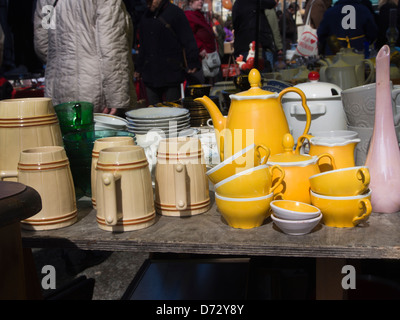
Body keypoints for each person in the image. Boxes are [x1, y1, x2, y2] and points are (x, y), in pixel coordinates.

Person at [34, 0, 137, 115]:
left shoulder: (46, 2)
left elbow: (42, 42)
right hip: (95, 91)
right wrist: (117, 98)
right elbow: (112, 47)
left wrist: (61, 63)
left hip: (57, 88)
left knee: (64, 131)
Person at [134, 0, 199, 105]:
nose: (148, 3)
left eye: (151, 1)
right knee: (154, 114)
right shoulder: (145, 16)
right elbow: (143, 46)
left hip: (171, 73)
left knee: (173, 114)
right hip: (150, 74)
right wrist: (139, 67)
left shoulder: (175, 13)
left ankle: (172, 122)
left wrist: (193, 61)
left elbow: (187, 39)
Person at [232, 0, 276, 66]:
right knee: (260, 73)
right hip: (256, 45)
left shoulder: (237, 3)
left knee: (246, 73)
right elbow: (272, 3)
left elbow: (235, 24)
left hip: (242, 45)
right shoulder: (256, 2)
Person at [185, 0, 218, 84]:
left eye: (201, 0)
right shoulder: (189, 15)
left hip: (208, 57)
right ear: (190, 2)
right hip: (199, 58)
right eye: (197, 0)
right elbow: (189, 35)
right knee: (200, 84)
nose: (200, 1)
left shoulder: (200, 15)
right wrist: (200, 48)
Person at [265, 0, 283, 71]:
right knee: (269, 74)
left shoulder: (258, 7)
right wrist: (279, 47)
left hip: (256, 46)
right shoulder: (270, 10)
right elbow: (274, 30)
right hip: (268, 47)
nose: (277, 3)